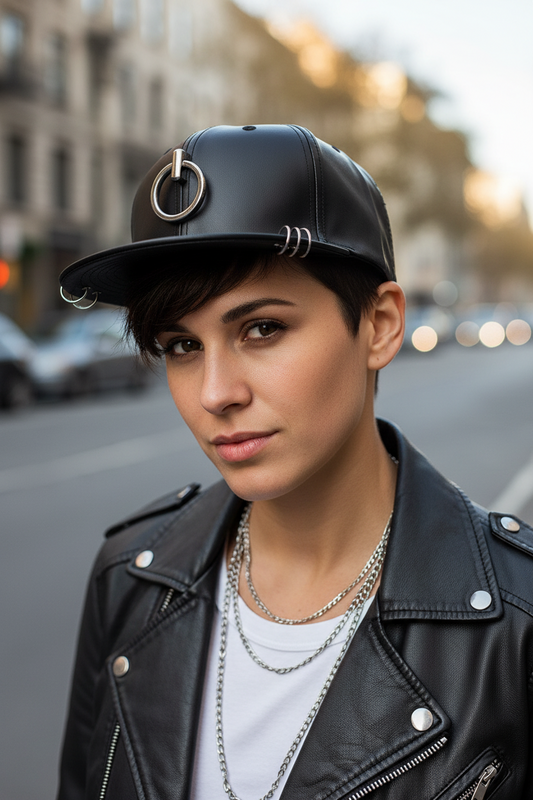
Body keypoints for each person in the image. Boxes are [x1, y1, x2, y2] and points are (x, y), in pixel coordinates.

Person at [57, 124, 533, 800]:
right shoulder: (131, 576)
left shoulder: (517, 622)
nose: (216, 393)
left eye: (262, 329)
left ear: (379, 325)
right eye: (182, 345)